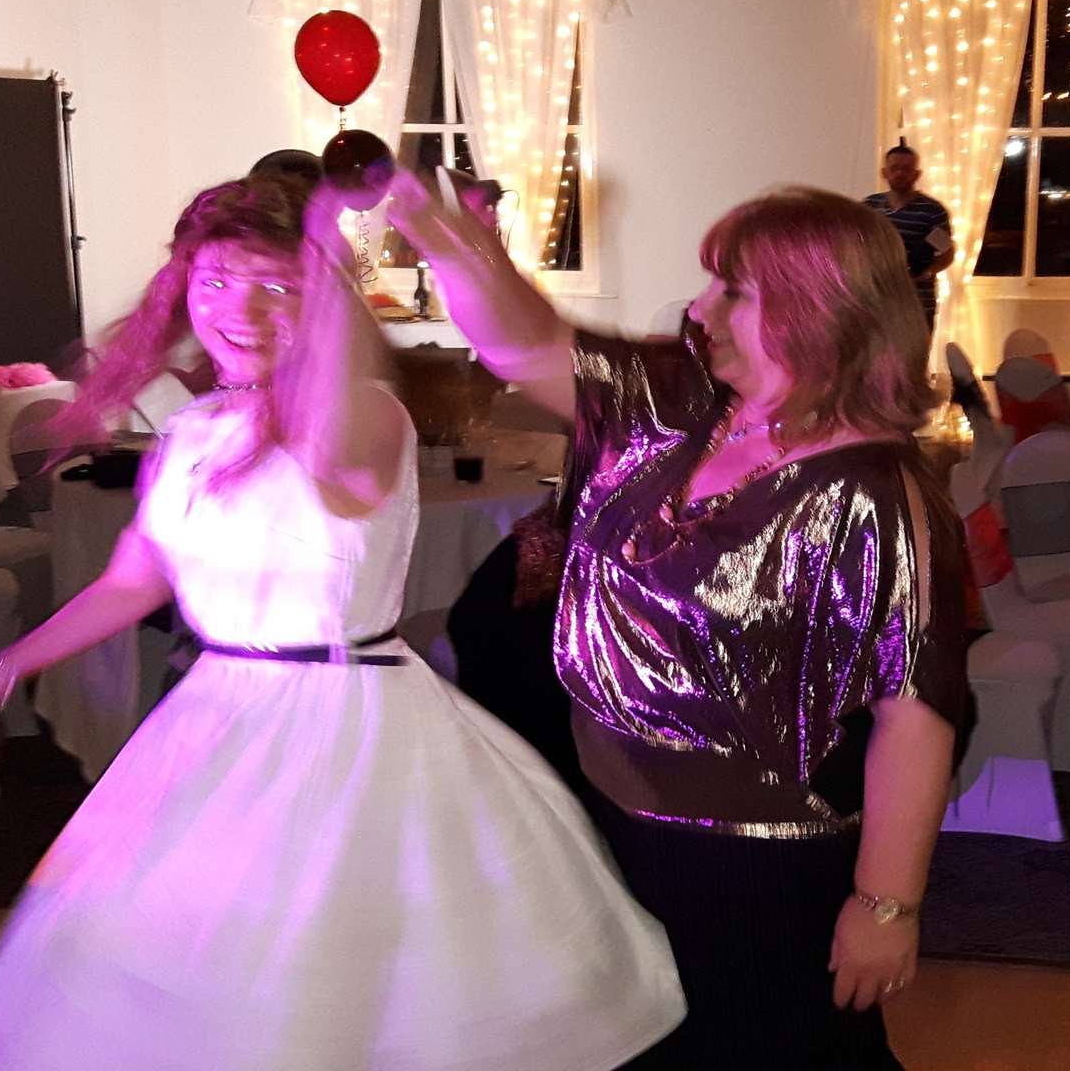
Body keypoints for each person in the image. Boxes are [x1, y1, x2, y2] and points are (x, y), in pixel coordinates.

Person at [0, 173, 684, 1070]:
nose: (237, 310)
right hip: (211, 729)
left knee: (339, 995)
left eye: (275, 285)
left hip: (349, 737)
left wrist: (326, 251)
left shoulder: (364, 414)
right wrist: (1, 670)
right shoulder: (193, 432)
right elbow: (132, 582)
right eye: (212, 284)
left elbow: (317, 429)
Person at [390, 174, 972, 1069]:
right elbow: (525, 345)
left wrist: (887, 903)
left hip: (750, 866)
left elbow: (915, 713)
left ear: (818, 309)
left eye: (733, 290)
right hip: (607, 813)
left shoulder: (879, 496)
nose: (700, 310)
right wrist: (450, 243)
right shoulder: (683, 405)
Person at [863, 145, 955, 334]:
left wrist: (928, 272)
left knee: (914, 359)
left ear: (916, 174)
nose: (900, 173)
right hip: (878, 300)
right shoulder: (869, 207)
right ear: (884, 172)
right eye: (894, 168)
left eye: (906, 169)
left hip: (918, 301)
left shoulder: (932, 211)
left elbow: (946, 253)